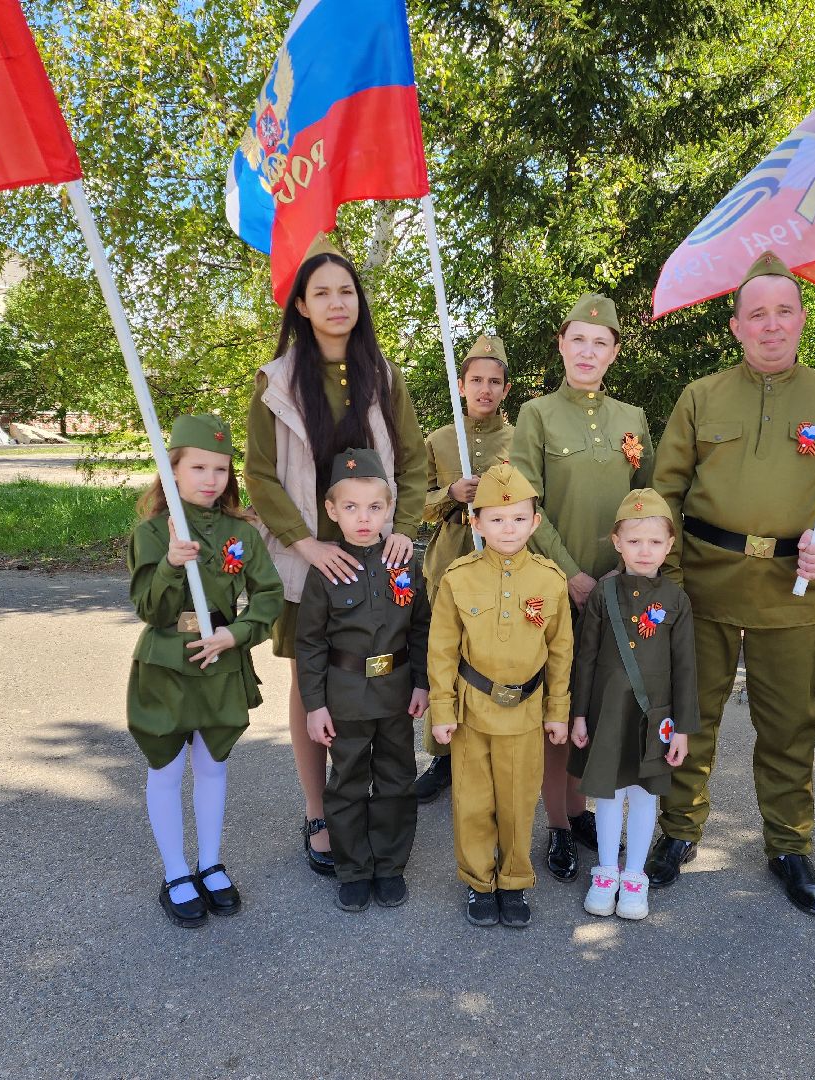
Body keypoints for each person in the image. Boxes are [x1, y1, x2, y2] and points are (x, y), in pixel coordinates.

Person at [649, 251, 815, 914]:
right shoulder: (702, 397)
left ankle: (788, 845)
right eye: (757, 314)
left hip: (795, 590)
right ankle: (679, 831)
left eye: (783, 311)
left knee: (791, 726)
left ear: (801, 318)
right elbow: (665, 489)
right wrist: (666, 575)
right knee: (689, 716)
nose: (771, 325)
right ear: (736, 326)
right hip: (704, 585)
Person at [244, 235, 427, 877]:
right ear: (300, 305)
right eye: (321, 292)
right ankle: (320, 811)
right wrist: (306, 542)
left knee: (383, 669)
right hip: (311, 555)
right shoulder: (277, 380)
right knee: (312, 676)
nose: (336, 301)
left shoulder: (384, 373)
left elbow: (414, 461)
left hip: (380, 551)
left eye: (346, 290)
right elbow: (261, 476)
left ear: (360, 300)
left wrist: (403, 526)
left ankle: (377, 803)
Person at [511, 292, 654, 882]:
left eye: (601, 343)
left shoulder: (633, 418)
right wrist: (570, 573)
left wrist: (630, 571)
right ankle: (560, 824)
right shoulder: (537, 414)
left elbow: (646, 504)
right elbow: (526, 504)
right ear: (562, 345)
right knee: (557, 710)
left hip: (618, 593)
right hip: (557, 585)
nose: (588, 351)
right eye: (578, 340)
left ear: (615, 352)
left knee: (595, 708)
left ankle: (583, 808)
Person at [126, 414, 284, 927]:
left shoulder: (243, 532)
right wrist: (172, 562)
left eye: (220, 468)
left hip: (220, 657)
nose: (211, 478)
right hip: (167, 665)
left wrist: (235, 635)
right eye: (198, 467)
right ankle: (175, 871)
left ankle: (210, 863)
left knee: (214, 763)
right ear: (172, 471)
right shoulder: (153, 532)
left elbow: (270, 595)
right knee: (168, 767)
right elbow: (148, 609)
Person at [427, 464, 572, 928]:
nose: (507, 528)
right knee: (472, 801)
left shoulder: (551, 580)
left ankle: (513, 880)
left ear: (535, 522)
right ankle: (477, 880)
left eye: (517, 518)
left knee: (518, 800)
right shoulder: (458, 577)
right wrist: (441, 709)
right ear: (476, 522)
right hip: (472, 711)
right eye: (495, 518)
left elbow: (560, 652)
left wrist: (558, 711)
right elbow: (443, 649)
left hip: (527, 712)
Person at [297, 449, 431, 912]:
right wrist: (315, 705)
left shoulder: (406, 562)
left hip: (396, 693)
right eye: (350, 507)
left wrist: (422, 683)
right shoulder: (325, 569)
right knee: (348, 781)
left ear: (389, 509)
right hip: (346, 696)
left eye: (374, 507)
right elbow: (310, 643)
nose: (363, 517)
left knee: (397, 778)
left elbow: (420, 628)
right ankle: (353, 868)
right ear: (332, 511)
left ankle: (390, 865)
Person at [569, 489, 698, 920]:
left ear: (670, 545)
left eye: (656, 542)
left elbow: (685, 668)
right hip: (607, 714)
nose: (646, 551)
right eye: (635, 541)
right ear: (617, 542)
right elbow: (585, 659)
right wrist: (579, 715)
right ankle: (606, 871)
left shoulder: (677, 600)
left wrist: (682, 727)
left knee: (644, 795)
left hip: (653, 717)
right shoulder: (603, 596)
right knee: (607, 795)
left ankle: (635, 876)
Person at [415, 334, 514, 804]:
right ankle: (443, 755)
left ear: (506, 389)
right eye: (476, 379)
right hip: (449, 561)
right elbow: (414, 504)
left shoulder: (519, 440)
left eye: (494, 382)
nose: (485, 389)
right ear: (461, 384)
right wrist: (449, 495)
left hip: (501, 565)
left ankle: (492, 747)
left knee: (493, 656)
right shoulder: (437, 440)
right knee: (446, 659)